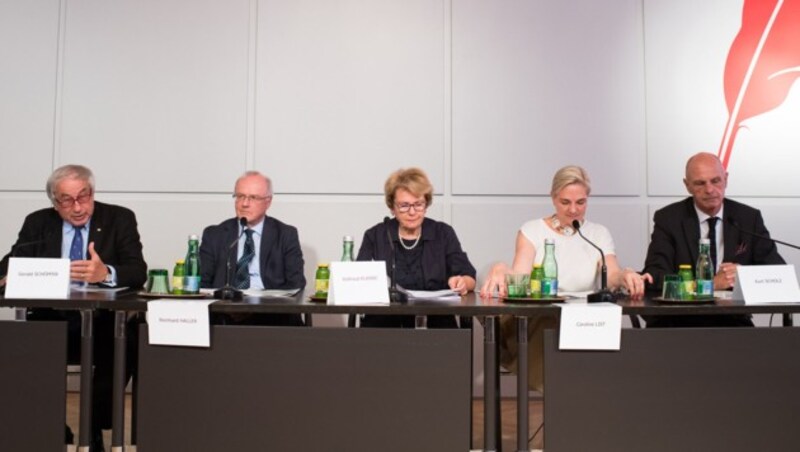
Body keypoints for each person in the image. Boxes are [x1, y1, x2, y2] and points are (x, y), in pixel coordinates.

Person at [0, 164, 147, 451]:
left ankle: (92, 427)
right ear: (55, 202)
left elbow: (137, 271)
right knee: (20, 344)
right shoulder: (38, 223)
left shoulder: (119, 218)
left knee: (129, 343)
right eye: (67, 200)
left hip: (104, 320)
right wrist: (7, 275)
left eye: (84, 196)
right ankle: (55, 428)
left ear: (92, 192)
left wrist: (105, 273)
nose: (78, 207)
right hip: (51, 317)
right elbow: (13, 259)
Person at [480, 165, 649, 391]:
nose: (573, 210)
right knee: (550, 331)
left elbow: (612, 274)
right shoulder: (532, 230)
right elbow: (519, 274)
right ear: (553, 198)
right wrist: (501, 267)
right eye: (565, 202)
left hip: (587, 321)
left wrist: (626, 274)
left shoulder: (598, 233)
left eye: (580, 202)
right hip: (544, 320)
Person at [642, 152, 785, 327]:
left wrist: (743, 276)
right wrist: (708, 285)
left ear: (726, 179)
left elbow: (778, 273)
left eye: (716, 181)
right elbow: (655, 277)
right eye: (700, 183)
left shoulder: (748, 218)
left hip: (733, 321)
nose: (709, 190)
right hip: (677, 321)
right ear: (687, 186)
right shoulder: (669, 219)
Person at [356, 167, 477, 328]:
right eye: (404, 206)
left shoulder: (443, 233)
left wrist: (462, 282)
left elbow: (469, 277)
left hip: (436, 325)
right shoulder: (376, 235)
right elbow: (358, 282)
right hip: (384, 324)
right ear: (392, 207)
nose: (412, 212)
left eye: (418, 204)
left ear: (426, 204)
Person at [200, 171, 305, 326]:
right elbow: (201, 283)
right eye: (240, 196)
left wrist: (257, 308)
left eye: (253, 198)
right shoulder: (214, 234)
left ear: (268, 202)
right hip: (224, 314)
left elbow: (296, 283)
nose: (244, 203)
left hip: (272, 316)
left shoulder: (285, 234)